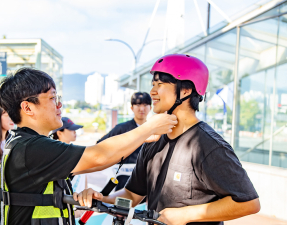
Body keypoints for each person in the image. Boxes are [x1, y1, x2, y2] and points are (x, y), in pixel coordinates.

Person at [75, 54, 261, 225]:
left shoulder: (207, 145)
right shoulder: (154, 140)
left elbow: (248, 203)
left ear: (186, 90)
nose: (152, 91)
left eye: (160, 84)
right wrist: (102, 198)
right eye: (153, 84)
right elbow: (132, 195)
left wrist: (185, 214)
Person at [0, 68, 177, 225]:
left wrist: (139, 138)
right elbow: (98, 156)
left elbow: (96, 163)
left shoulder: (22, 143)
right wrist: (149, 127)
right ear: (27, 108)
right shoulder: (32, 148)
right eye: (52, 97)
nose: (59, 104)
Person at [97, 92, 151, 191]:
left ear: (150, 108)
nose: (142, 109)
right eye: (138, 105)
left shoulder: (153, 130)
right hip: (123, 181)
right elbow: (100, 145)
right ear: (132, 108)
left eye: (145, 105)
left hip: (145, 181)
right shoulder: (122, 128)